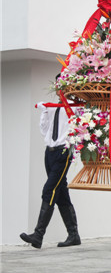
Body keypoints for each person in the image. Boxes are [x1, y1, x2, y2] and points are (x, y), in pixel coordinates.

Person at [20, 96, 81, 249]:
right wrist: (44, 112)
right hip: (49, 152)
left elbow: (80, 127)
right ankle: (73, 235)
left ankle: (38, 235)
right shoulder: (53, 106)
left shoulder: (75, 106)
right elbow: (44, 130)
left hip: (63, 152)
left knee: (50, 190)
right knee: (60, 193)